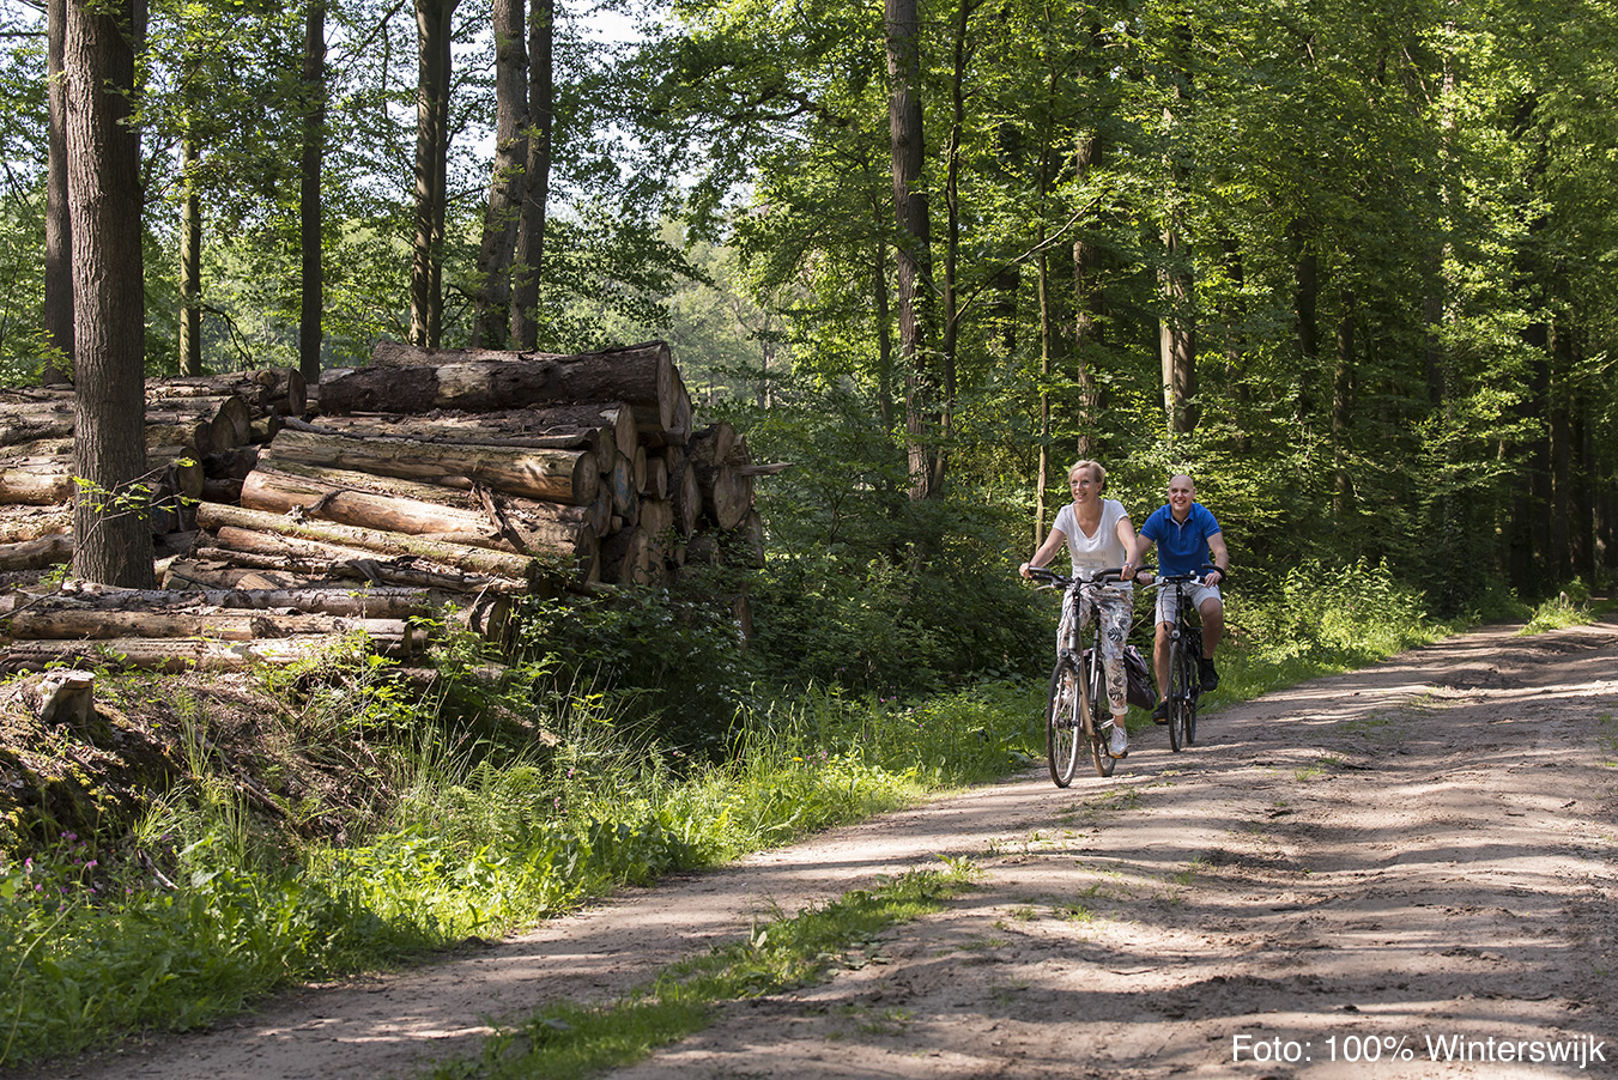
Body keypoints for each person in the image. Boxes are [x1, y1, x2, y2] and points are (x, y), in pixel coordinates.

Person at [1019, 460, 1145, 759]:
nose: (1079, 488)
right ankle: (1070, 688)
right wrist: (1033, 566)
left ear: (1099, 485)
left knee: (1112, 656)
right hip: (1082, 587)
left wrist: (1130, 564)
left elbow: (1131, 543)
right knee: (1065, 637)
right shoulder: (1066, 514)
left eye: (1086, 482)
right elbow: (1050, 547)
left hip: (1115, 590)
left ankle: (1119, 726)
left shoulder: (1114, 509)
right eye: (1075, 483)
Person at [1134, 473, 1229, 721]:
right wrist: (1139, 570)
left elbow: (1219, 550)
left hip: (1200, 578)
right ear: (1169, 494)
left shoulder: (1203, 515)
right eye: (1174, 490)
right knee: (1162, 634)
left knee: (1212, 610)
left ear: (1193, 494)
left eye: (1185, 491)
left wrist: (1217, 571)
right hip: (1168, 582)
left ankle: (1206, 661)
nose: (1179, 495)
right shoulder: (1158, 518)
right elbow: (1136, 550)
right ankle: (1165, 700)